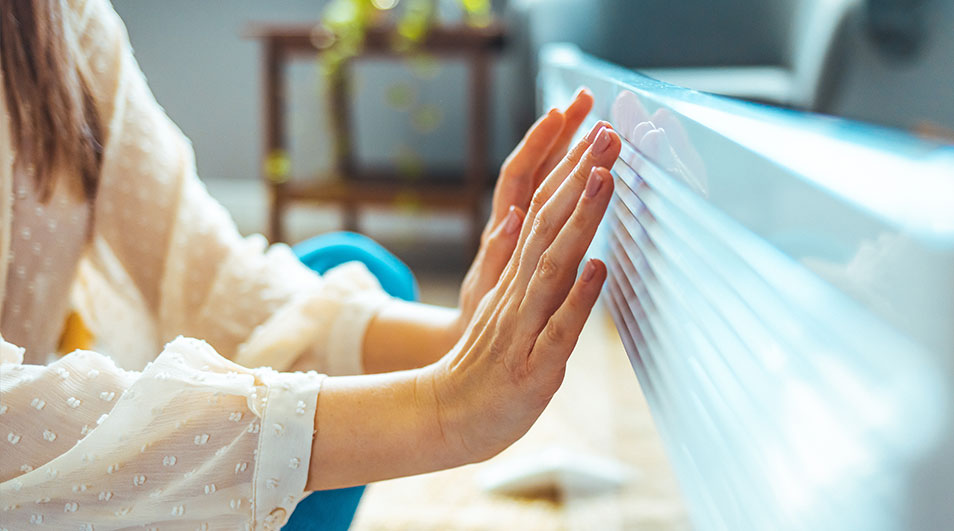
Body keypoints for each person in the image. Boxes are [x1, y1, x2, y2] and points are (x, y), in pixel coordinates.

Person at [0, 0, 622, 528]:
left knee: (358, 273)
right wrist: (442, 410)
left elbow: (200, 268)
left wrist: (456, 336)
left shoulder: (59, 14)